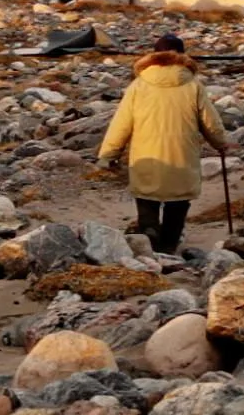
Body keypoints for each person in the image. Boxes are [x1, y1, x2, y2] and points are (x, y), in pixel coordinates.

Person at [98, 34, 228, 255]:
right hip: (182, 156)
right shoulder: (193, 86)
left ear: (154, 55)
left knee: (147, 198)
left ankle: (149, 234)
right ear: (182, 55)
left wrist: (109, 154)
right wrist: (221, 144)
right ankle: (169, 244)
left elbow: (121, 123)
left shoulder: (138, 86)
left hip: (146, 157)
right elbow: (210, 122)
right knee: (177, 202)